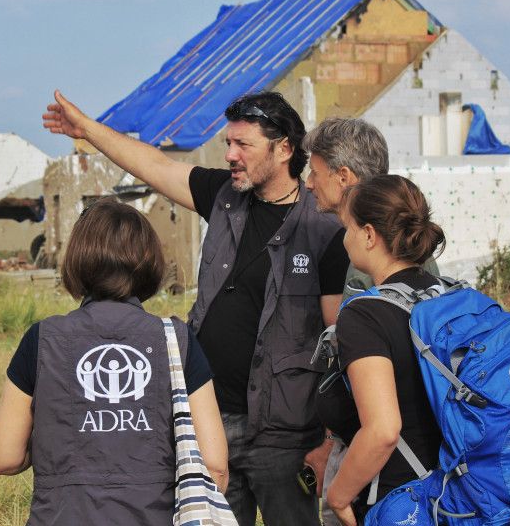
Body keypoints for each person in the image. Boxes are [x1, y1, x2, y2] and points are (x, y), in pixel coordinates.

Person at [42, 90, 350, 526]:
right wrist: (87, 129)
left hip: (286, 437)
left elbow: (339, 342)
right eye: (228, 143)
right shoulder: (223, 197)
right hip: (210, 426)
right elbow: (155, 166)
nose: (230, 155)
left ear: (283, 149)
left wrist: (330, 442)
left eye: (243, 145)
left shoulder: (324, 229)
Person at [0, 198, 228, 525]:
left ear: (78, 259)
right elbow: (214, 467)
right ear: (149, 261)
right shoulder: (177, 342)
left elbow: (3, 457)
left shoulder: (41, 340)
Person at [302, 117, 440, 525]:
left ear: (366, 235)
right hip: (434, 474)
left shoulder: (366, 308)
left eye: (315, 171)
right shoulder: (441, 289)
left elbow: (381, 427)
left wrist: (339, 495)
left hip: (387, 485)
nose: (309, 182)